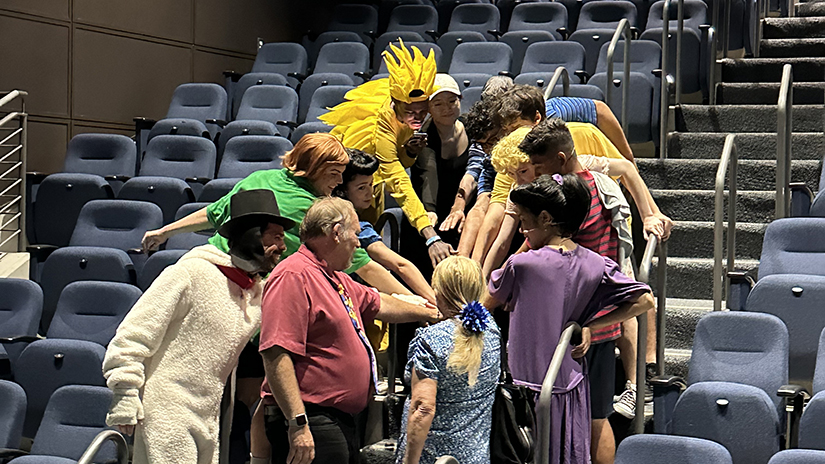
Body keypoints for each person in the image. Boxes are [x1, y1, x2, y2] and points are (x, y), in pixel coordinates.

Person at [103, 189, 295, 464]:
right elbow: (134, 334)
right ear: (252, 234)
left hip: (209, 415)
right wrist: (124, 394)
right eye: (276, 237)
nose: (283, 246)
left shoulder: (256, 293)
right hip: (167, 409)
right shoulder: (190, 273)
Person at [482, 174, 655, 464]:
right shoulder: (595, 263)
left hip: (527, 391)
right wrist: (590, 324)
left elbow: (486, 307)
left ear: (546, 218)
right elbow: (645, 300)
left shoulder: (522, 264)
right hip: (570, 387)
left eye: (524, 222)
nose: (523, 232)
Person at [259, 197, 443, 464]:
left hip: (336, 420)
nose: (358, 243)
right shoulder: (294, 276)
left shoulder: (335, 277)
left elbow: (381, 302)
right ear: (336, 233)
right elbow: (276, 354)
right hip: (311, 418)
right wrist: (298, 423)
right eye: (355, 234)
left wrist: (432, 313)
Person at [320, 41, 454, 269]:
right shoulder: (381, 126)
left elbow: (397, 159)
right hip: (351, 185)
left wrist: (409, 152)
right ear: (395, 104)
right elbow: (397, 179)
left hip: (372, 180)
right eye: (411, 112)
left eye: (423, 111)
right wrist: (430, 234)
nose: (418, 117)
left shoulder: (410, 101)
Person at [395, 256, 500, 464]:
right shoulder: (492, 331)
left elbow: (423, 408)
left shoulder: (430, 340)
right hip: (476, 457)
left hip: (433, 458)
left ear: (440, 292)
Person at [333, 149, 436, 304]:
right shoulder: (358, 230)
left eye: (371, 185)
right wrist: (433, 304)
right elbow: (401, 266)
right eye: (361, 188)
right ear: (341, 190)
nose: (371, 193)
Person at [412, 74, 471, 251]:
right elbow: (428, 173)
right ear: (428, 109)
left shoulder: (471, 127)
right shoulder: (424, 137)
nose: (447, 108)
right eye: (438, 104)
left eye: (452, 101)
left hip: (463, 208)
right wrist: (430, 210)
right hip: (431, 213)